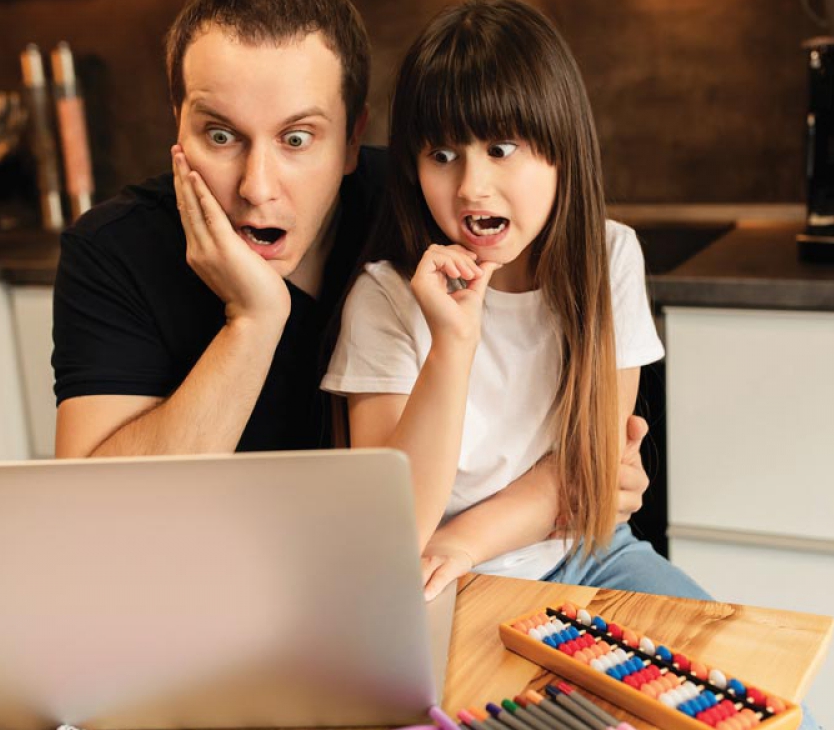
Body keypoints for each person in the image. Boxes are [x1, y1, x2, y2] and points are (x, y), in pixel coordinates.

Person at [50, 0, 653, 535]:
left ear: (351, 139)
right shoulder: (113, 250)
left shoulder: (427, 206)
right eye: (220, 135)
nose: (257, 188)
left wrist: (579, 485)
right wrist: (254, 322)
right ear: (176, 122)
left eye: (297, 139)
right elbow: (98, 524)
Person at [321, 0, 712, 604]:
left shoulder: (609, 257)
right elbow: (394, 527)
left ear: (561, 146)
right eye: (443, 156)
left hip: (590, 553)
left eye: (501, 148)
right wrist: (453, 342)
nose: (472, 186)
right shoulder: (385, 298)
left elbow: (591, 464)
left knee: (751, 692)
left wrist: (466, 539)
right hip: (441, 582)